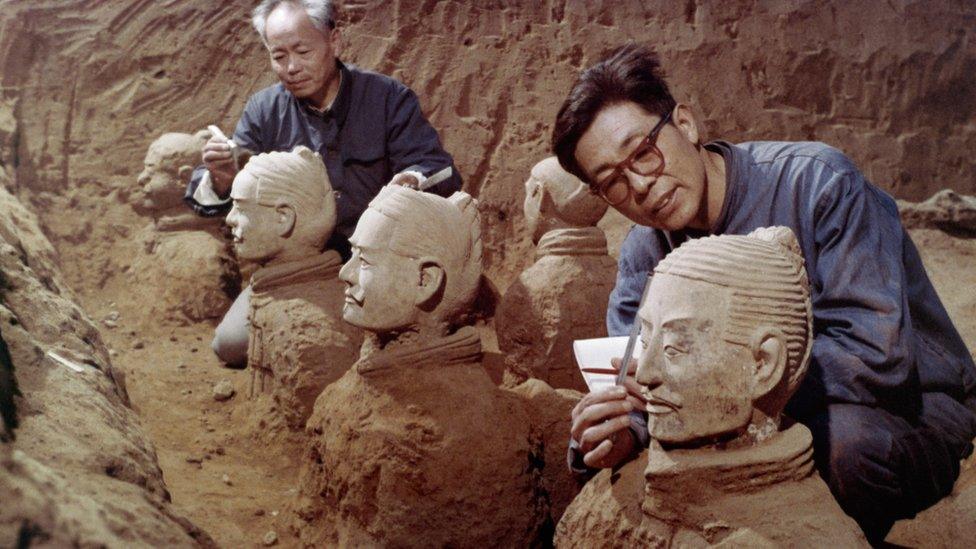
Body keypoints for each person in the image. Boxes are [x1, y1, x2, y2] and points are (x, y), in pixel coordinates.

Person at [552, 43, 976, 543]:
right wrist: (617, 431)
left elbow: (876, 356)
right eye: (612, 183)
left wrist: (718, 386)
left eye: (643, 153)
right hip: (745, 423)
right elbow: (646, 387)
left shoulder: (818, 184)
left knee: (845, 452)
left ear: (684, 125)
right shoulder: (643, 255)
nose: (640, 186)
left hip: (908, 405)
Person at [189, 0, 462, 366]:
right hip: (294, 268)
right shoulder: (264, 110)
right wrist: (222, 179)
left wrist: (411, 179)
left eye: (303, 51)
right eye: (279, 55)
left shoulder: (386, 98)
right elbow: (222, 186)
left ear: (334, 40)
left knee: (391, 345)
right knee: (232, 345)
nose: (291, 67)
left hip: (373, 264)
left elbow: (440, 169)